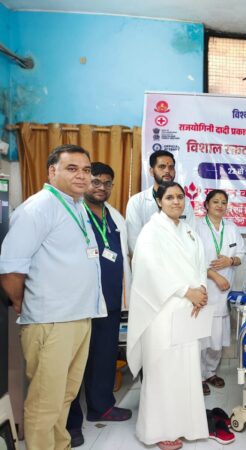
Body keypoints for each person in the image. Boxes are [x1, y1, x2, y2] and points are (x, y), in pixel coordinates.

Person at [0, 144, 105, 450]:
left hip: (79, 317)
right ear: (52, 171)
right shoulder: (38, 208)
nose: (82, 176)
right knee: (45, 402)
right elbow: (10, 270)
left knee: (65, 397)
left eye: (86, 170)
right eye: (72, 168)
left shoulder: (77, 206)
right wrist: (22, 302)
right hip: (51, 321)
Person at [127, 181, 217, 450]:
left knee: (186, 368)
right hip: (162, 310)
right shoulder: (151, 231)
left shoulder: (188, 230)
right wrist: (186, 291)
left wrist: (201, 289)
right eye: (169, 197)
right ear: (159, 201)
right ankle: (158, 431)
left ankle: (186, 425)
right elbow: (150, 270)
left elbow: (200, 264)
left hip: (188, 309)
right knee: (162, 370)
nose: (176, 201)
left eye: (180, 197)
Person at [66, 162, 133, 447]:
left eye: (107, 183)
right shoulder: (72, 213)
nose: (101, 188)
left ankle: (101, 406)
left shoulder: (115, 216)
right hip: (79, 302)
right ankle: (70, 423)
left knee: (104, 357)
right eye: (96, 181)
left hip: (110, 301)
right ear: (85, 181)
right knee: (72, 363)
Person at [196, 189, 246, 396]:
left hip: (224, 293)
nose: (219, 205)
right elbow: (192, 259)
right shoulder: (196, 227)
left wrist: (230, 260)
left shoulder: (231, 228)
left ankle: (210, 372)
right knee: (201, 337)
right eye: (215, 201)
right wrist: (215, 276)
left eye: (223, 202)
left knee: (217, 338)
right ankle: (197, 376)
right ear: (206, 204)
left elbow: (241, 254)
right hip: (204, 290)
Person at [126, 150, 196, 254]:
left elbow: (191, 236)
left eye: (171, 167)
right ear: (151, 171)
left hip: (179, 259)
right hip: (148, 260)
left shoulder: (185, 202)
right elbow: (134, 242)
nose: (167, 171)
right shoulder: (136, 202)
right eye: (162, 167)